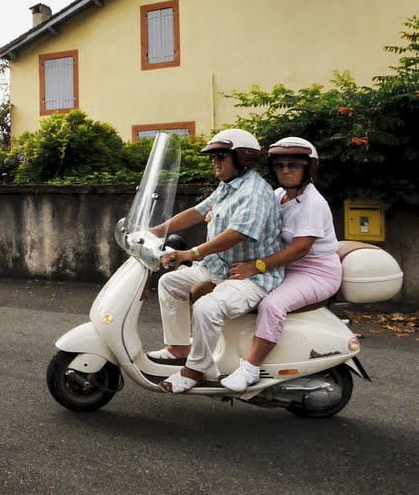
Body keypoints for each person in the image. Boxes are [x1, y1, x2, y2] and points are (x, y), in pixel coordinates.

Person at [147, 128, 284, 393]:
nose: (215, 162)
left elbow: (238, 234)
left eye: (221, 156)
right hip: (220, 267)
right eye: (214, 156)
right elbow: (197, 212)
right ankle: (179, 347)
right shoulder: (229, 187)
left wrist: (191, 253)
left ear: (241, 158)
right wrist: (156, 231)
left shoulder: (254, 193)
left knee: (207, 308)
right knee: (170, 283)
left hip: (250, 275)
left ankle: (196, 370)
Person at [219, 136, 342, 391]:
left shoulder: (312, 203)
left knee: (272, 304)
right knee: (220, 288)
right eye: (280, 165)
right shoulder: (278, 195)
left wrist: (256, 266)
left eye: (294, 165)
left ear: (308, 169)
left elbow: (300, 249)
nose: (285, 170)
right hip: (282, 266)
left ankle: (251, 368)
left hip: (315, 272)